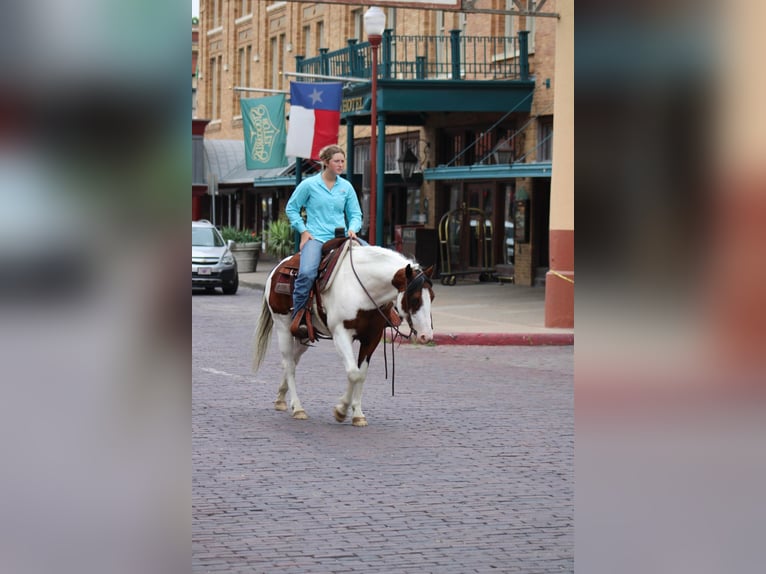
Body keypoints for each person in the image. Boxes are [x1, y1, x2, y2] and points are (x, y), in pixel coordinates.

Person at [285, 144, 366, 339]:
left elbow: (355, 214)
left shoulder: (346, 187)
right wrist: (303, 232)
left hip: (342, 238)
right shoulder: (309, 185)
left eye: (342, 161)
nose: (340, 165)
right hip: (317, 238)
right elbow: (291, 208)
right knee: (306, 273)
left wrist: (353, 228)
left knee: (373, 257)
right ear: (326, 163)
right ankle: (299, 316)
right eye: (337, 161)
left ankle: (384, 310)